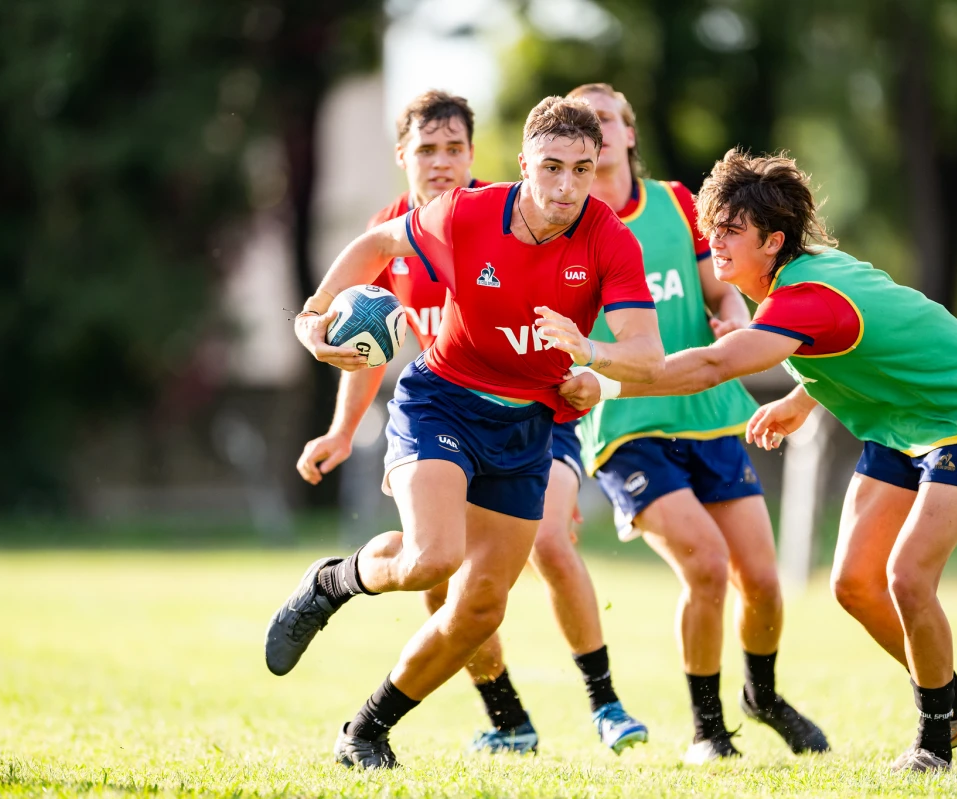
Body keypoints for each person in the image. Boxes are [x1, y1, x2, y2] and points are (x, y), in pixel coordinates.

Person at [560, 147, 957, 773]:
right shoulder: (795, 279)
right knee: (855, 584)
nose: (714, 241)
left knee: (907, 577)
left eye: (731, 231)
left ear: (773, 241)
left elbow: (713, 366)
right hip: (901, 424)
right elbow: (872, 338)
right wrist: (806, 396)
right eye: (711, 225)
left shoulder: (800, 298)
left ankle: (935, 742)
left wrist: (602, 369)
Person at [268, 95, 663, 769]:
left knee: (481, 608)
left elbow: (647, 353)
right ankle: (333, 582)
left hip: (528, 425)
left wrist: (590, 352)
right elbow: (378, 243)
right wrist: (313, 316)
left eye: (582, 169)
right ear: (522, 165)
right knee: (433, 559)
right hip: (442, 404)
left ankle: (366, 729)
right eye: (551, 167)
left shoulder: (608, 237)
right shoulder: (468, 214)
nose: (567, 186)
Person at [564, 84, 828, 764]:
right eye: (581, 124)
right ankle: (709, 731)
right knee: (707, 567)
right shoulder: (565, 225)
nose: (595, 132)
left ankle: (762, 697)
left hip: (711, 413)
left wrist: (735, 321)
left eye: (606, 119)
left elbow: (722, 289)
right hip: (626, 423)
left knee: (763, 582)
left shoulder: (677, 205)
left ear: (627, 134)